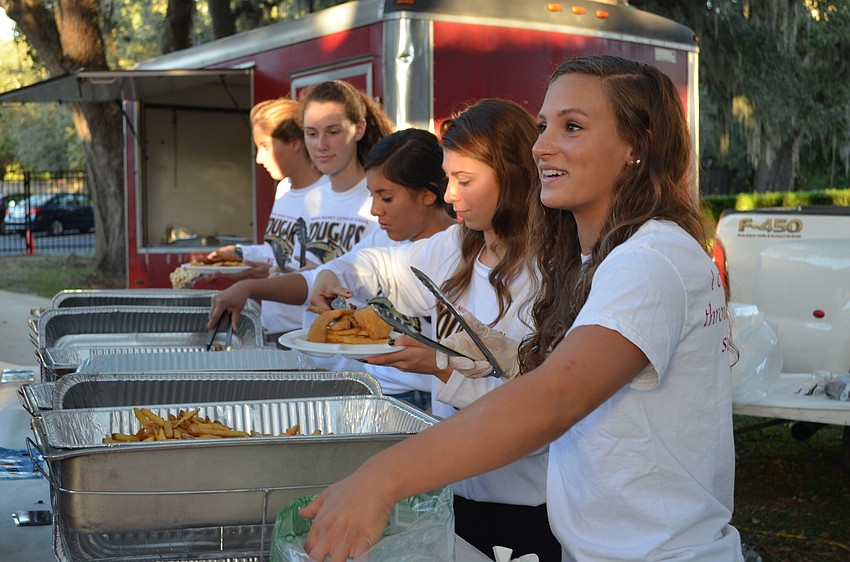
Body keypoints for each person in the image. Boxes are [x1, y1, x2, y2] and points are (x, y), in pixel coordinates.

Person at [299, 55, 744, 562]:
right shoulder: (605, 257)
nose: (542, 146)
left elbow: (557, 398)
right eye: (543, 125)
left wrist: (380, 479)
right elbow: (587, 381)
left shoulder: (649, 258)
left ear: (635, 148)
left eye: (572, 127)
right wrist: (502, 355)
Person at [305, 99, 561, 559]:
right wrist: (333, 275)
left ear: (512, 175)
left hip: (525, 503)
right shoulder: (458, 246)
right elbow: (381, 264)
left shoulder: (551, 273)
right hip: (455, 489)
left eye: (465, 181)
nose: (451, 196)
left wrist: (441, 366)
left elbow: (537, 408)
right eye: (448, 180)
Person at [209, 128, 456, 411]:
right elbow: (332, 274)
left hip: (427, 400)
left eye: (386, 198)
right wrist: (250, 287)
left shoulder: (456, 253)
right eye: (372, 196)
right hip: (373, 390)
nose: (375, 210)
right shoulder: (383, 238)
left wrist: (436, 419)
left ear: (428, 194)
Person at [207, 97, 328, 339]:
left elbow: (315, 270)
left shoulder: (327, 195)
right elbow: (279, 251)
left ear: (295, 143)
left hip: (305, 331)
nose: (259, 159)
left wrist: (254, 277)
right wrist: (237, 254)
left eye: (265, 146)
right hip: (273, 327)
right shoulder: (284, 188)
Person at [297, 80, 395, 268]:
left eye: (333, 132)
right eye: (311, 134)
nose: (321, 145)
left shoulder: (383, 197)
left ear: (359, 129)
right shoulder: (312, 199)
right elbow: (303, 268)